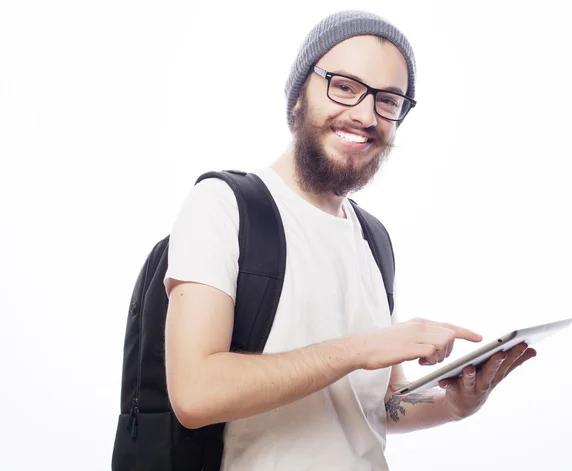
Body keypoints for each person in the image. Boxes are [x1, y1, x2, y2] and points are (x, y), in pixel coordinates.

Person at [162, 10, 536, 471]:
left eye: (389, 100)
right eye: (344, 86)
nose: (365, 115)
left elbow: (381, 404)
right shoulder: (222, 205)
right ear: (300, 91)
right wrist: (360, 348)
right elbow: (195, 392)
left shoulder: (373, 238)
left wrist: (455, 403)